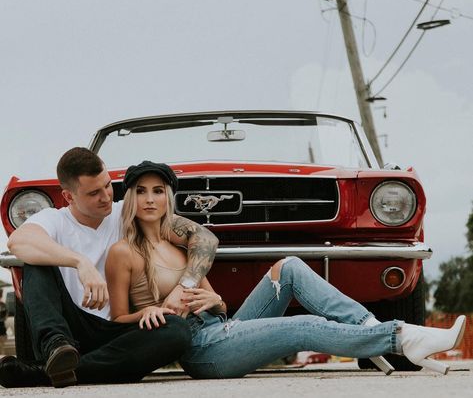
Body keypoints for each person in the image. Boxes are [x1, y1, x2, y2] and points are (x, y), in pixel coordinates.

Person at [106, 160, 467, 379]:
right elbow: (116, 320)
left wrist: (214, 299)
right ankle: (401, 339)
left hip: (223, 326)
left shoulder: (179, 242)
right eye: (140, 191)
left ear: (168, 197)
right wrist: (149, 310)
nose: (149, 199)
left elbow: (214, 301)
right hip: (203, 350)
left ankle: (368, 330)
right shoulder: (124, 252)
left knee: (289, 267)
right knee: (304, 326)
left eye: (157, 191)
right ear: (130, 198)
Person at [0, 148, 218, 388]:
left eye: (107, 185)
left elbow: (205, 238)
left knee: (176, 331)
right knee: (35, 261)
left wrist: (183, 286)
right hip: (69, 328)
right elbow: (18, 242)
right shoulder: (54, 219)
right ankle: (56, 349)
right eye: (93, 193)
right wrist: (80, 263)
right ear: (68, 197)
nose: (105, 196)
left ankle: (44, 374)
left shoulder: (125, 212)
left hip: (118, 330)